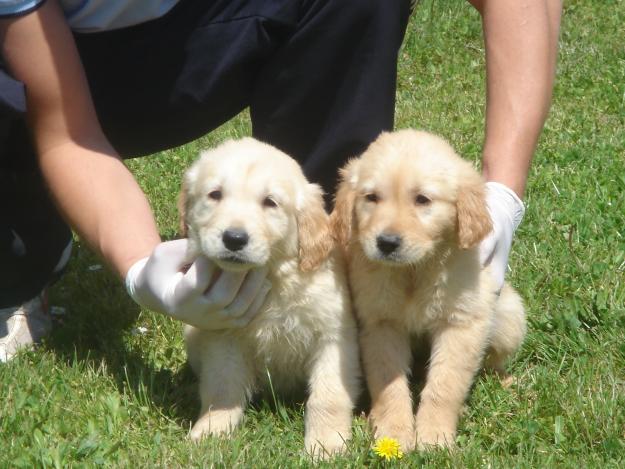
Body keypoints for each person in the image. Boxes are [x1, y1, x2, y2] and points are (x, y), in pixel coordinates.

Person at [0, 0, 561, 362]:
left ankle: (337, 284)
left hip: (189, 28)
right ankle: (28, 257)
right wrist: (143, 270)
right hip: (30, 64)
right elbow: (67, 133)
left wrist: (503, 193)